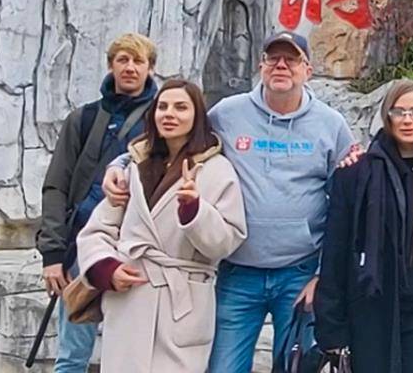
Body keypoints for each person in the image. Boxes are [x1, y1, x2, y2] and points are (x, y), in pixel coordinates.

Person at [104, 31, 357, 373]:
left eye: (291, 59)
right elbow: (174, 140)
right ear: (261, 66)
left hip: (299, 272)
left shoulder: (331, 124)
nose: (281, 65)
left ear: (307, 70)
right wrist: (120, 164)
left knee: (297, 366)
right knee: (223, 366)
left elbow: (346, 200)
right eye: (273, 58)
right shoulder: (228, 113)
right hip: (238, 270)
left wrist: (324, 275)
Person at [76, 79, 247, 373]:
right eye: (163, 107)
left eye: (181, 107)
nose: (169, 114)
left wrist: (194, 210)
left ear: (197, 115)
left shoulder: (218, 170)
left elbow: (227, 240)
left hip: (181, 301)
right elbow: (98, 230)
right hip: (130, 297)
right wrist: (107, 268)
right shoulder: (134, 166)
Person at [315, 78, 413, 373]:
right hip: (375, 314)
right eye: (399, 112)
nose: (407, 120)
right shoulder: (356, 175)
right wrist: (331, 328)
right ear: (387, 116)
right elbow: (336, 252)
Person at [37, 32, 158, 373]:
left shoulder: (162, 119)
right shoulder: (84, 119)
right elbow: (56, 186)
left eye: (138, 61)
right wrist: (53, 254)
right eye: (123, 60)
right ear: (110, 65)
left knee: (135, 354)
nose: (130, 68)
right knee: (73, 354)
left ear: (150, 68)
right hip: (83, 247)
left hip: (138, 247)